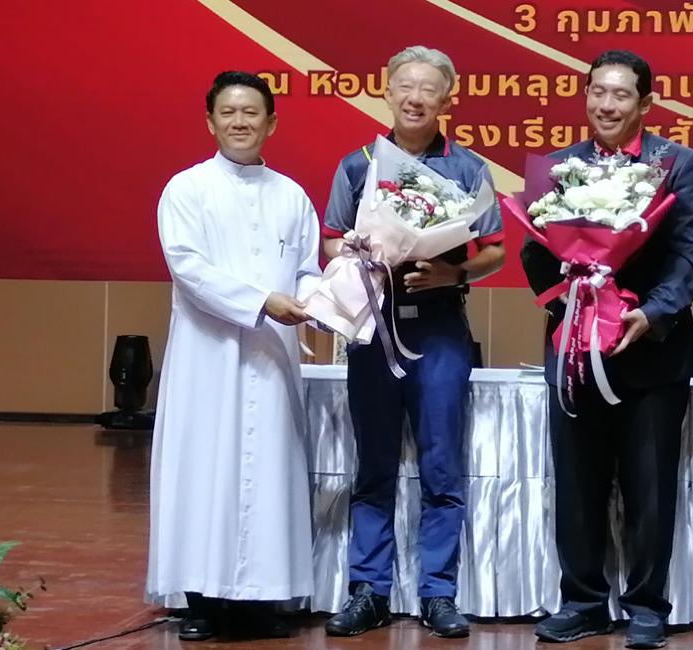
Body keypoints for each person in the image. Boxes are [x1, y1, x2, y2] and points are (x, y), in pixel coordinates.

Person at [520, 49, 693, 650]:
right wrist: (573, 302)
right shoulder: (558, 167)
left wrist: (651, 312)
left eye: (621, 94)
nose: (606, 104)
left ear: (645, 103)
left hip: (651, 352)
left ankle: (647, 607)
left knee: (649, 488)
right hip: (576, 351)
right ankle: (581, 602)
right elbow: (533, 248)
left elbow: (692, 252)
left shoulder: (675, 164)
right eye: (597, 92)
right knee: (577, 485)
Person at [318, 45, 504, 640]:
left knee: (441, 466)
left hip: (440, 327)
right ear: (387, 90)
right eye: (405, 86)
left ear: (448, 99)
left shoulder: (468, 169)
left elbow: (495, 250)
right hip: (374, 327)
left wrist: (454, 272)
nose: (415, 98)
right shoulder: (358, 165)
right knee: (373, 463)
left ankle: (437, 592)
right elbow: (329, 240)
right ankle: (368, 590)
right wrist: (360, 254)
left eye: (429, 89)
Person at [146, 70, 321, 641]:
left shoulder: (291, 195)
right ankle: (200, 599)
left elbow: (307, 269)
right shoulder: (186, 189)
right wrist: (262, 301)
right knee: (203, 471)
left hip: (272, 357)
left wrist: (323, 300)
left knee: (269, 472)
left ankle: (260, 602)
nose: (240, 122)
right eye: (228, 112)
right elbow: (188, 268)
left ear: (271, 123)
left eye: (251, 112)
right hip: (208, 356)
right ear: (210, 121)